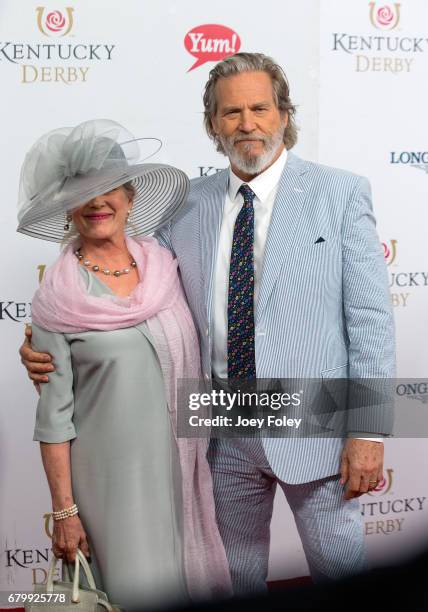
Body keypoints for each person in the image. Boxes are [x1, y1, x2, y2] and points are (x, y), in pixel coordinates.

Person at [21, 54, 395, 595]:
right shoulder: (186, 206)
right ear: (212, 124)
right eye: (231, 112)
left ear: (284, 114)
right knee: (233, 581)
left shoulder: (339, 193)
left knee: (343, 572)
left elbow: (369, 320)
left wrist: (366, 430)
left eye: (261, 108)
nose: (248, 124)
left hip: (317, 420)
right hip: (219, 429)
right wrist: (40, 341)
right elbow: (134, 292)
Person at [17, 119, 232, 610]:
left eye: (108, 188)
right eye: (82, 193)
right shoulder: (57, 299)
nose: (97, 202)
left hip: (183, 470)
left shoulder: (168, 267)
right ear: (66, 209)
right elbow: (54, 419)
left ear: (130, 199)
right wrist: (65, 510)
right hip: (112, 487)